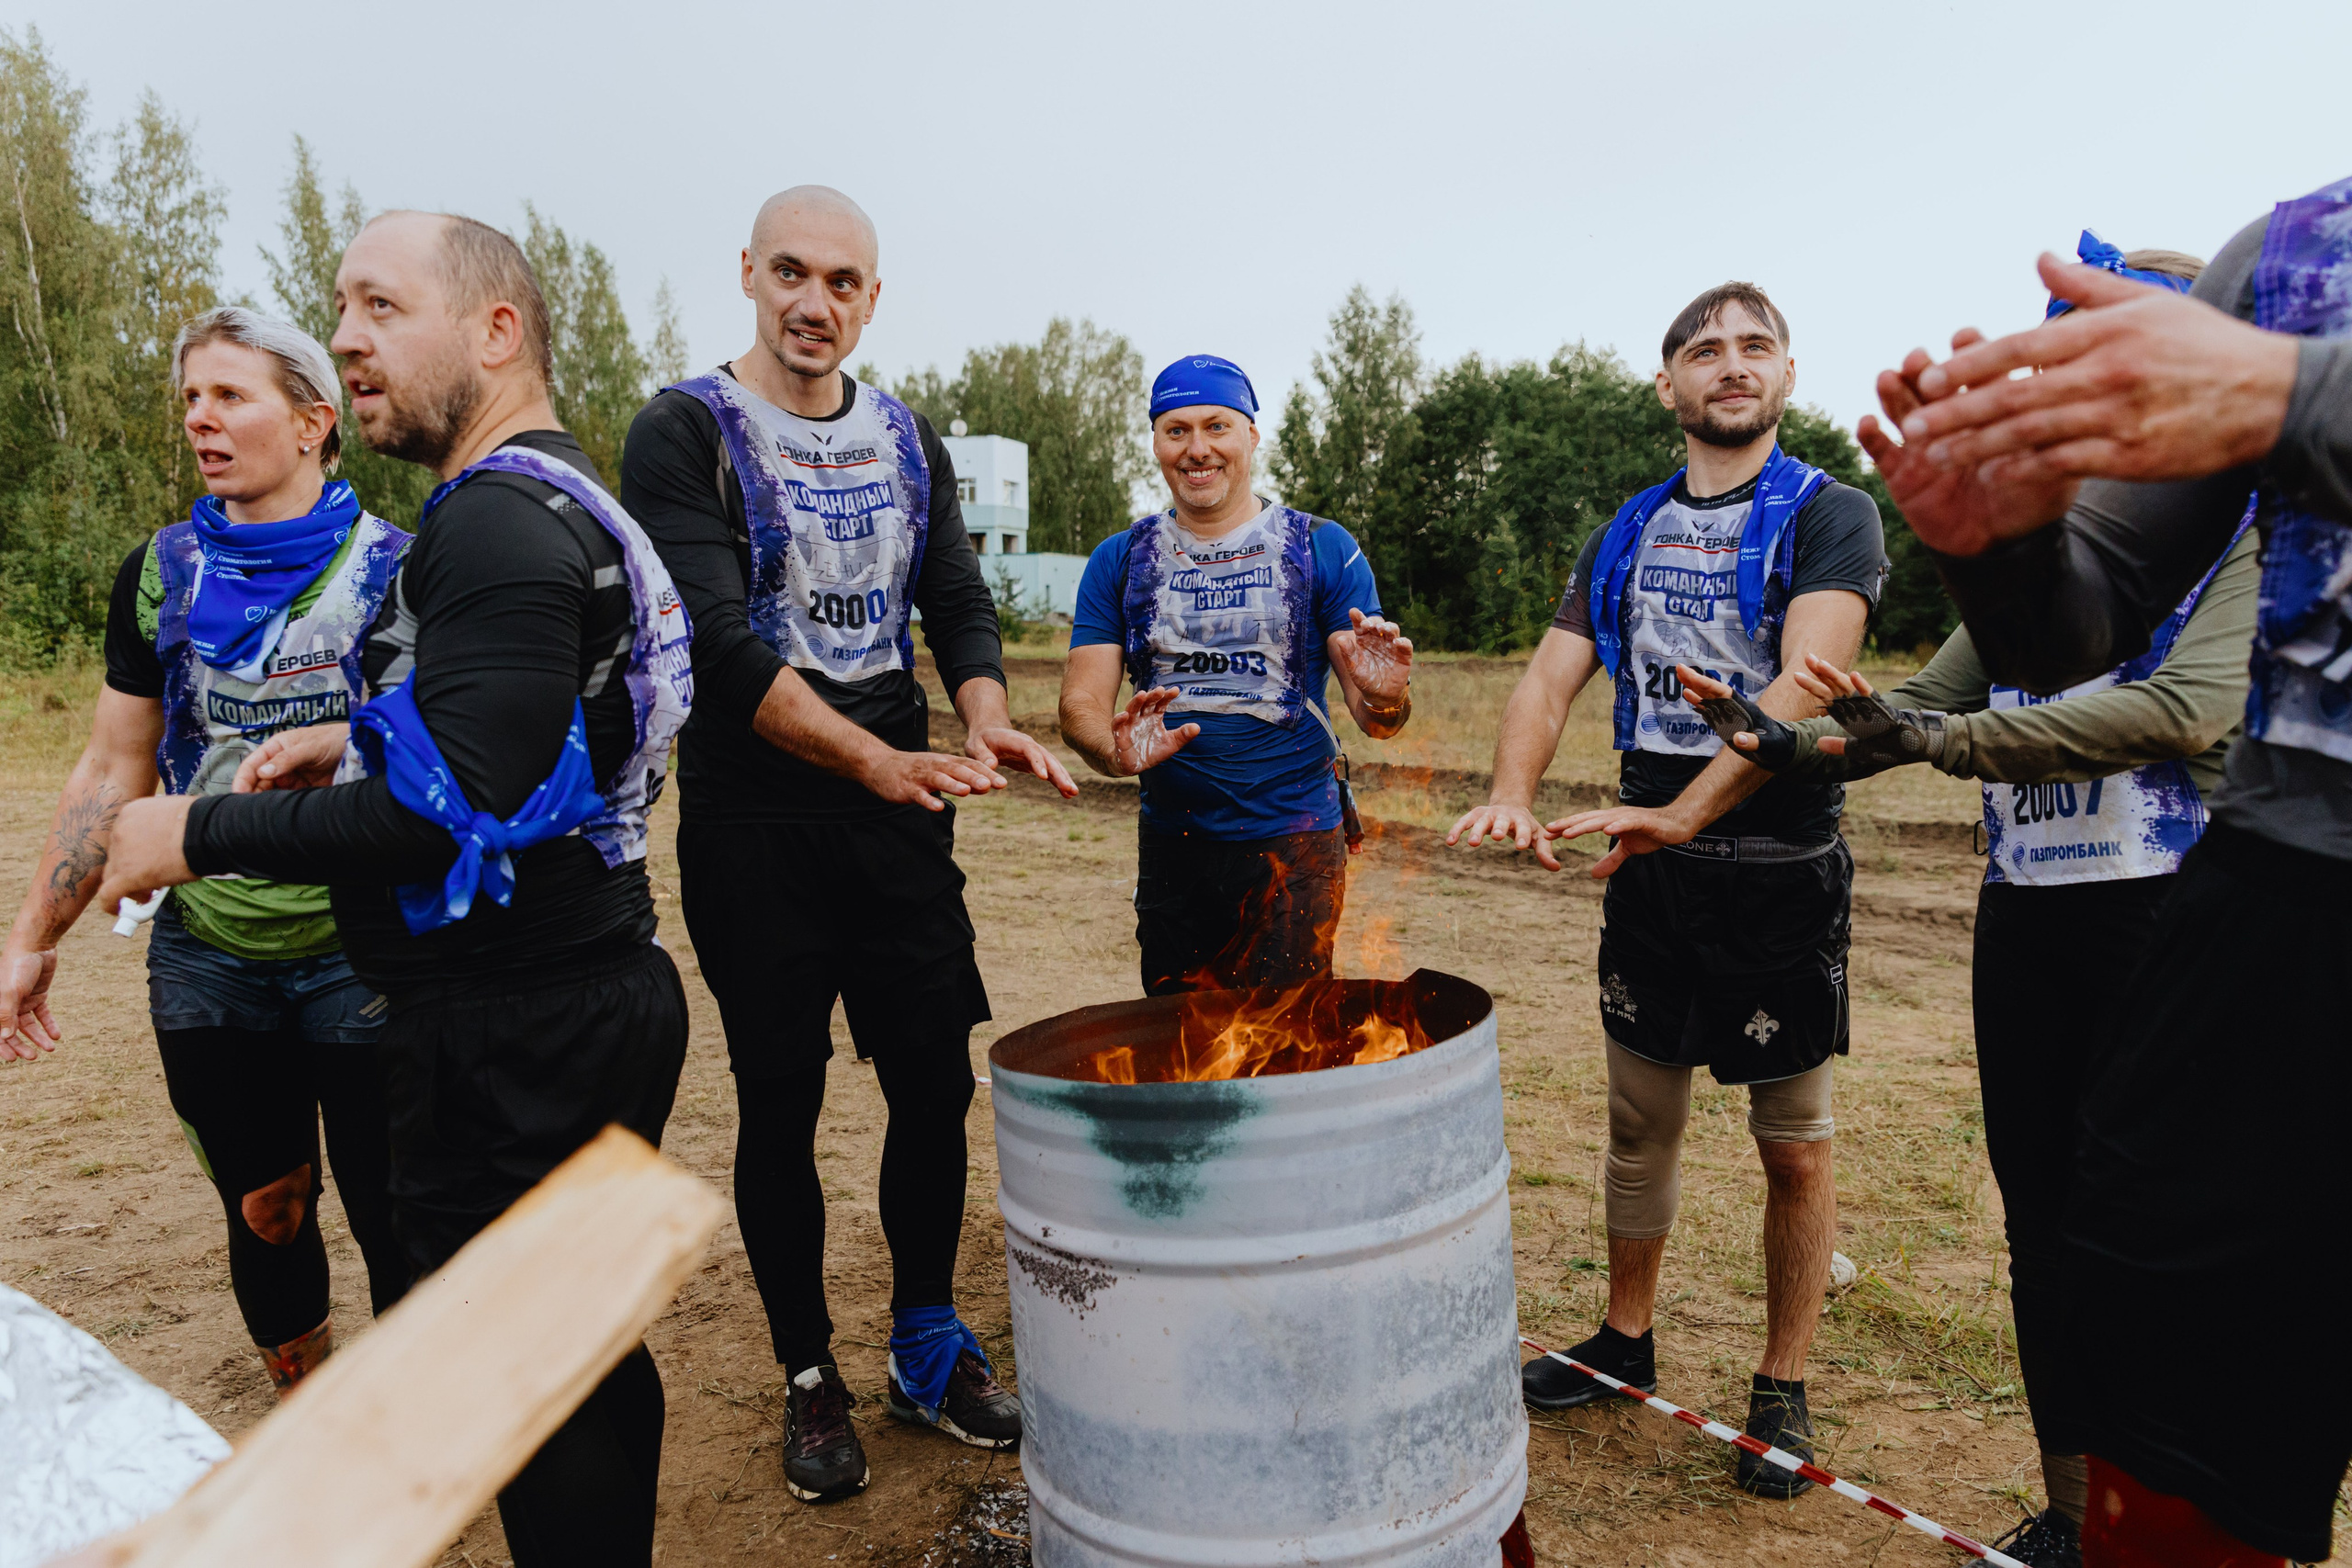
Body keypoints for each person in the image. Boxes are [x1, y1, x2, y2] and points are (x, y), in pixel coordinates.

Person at [95, 210, 695, 1568]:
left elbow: (461, 809)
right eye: (342, 309)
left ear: (495, 332)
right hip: (573, 992)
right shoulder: (555, 495)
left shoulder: (489, 522)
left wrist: (196, 833)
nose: (350, 339)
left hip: (519, 1026)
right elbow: (530, 732)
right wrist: (364, 733)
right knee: (573, 1358)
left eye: (379, 307)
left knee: (537, 1394)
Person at [1674, 240, 2249, 1568]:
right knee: (2042, 1228)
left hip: (2181, 922)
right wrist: (1784, 745)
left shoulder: (2242, 527)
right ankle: (2071, 1507)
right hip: (2031, 929)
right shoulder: (2058, 555)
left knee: (2168, 1240)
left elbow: (2168, 711)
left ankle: (2182, 1528)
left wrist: (1924, 745)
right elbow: (1916, 708)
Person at [1850, 181, 2352, 1568]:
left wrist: (2289, 395)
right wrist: (1995, 535)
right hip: (2281, 894)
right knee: (2174, 1399)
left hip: (2174, 873)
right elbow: (2079, 624)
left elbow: (2178, 700)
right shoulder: (2288, 254)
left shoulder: (2273, 341)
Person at [620, 186, 1067, 1506]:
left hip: (901, 811)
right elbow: (718, 635)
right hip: (757, 817)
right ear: (750, 274)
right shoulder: (683, 428)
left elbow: (956, 595)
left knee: (934, 1083)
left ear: (874, 298)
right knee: (783, 1097)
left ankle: (926, 1339)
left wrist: (983, 721)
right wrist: (881, 760)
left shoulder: (905, 432)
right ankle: (808, 1369)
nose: (817, 304)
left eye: (847, 283)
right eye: (795, 275)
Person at [1447, 283, 1886, 1497]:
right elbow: (1548, 679)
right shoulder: (1628, 526)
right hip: (1652, 871)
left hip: (1780, 867)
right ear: (1668, 387)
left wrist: (1688, 806)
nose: (1730, 365)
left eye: (1755, 347)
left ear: (1787, 375)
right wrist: (1512, 787)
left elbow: (1807, 683)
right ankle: (1624, 1340)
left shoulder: (1832, 510)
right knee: (1641, 1124)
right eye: (1705, 349)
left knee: (1791, 1148)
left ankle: (1781, 1390)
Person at [0, 307, 411, 1394]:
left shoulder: (399, 572)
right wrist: (33, 937)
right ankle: (312, 1411)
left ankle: (423, 1432)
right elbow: (108, 767)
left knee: (395, 1210)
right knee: (268, 1206)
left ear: (316, 422)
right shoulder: (162, 573)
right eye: (191, 397)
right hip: (211, 951)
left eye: (231, 395)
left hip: (367, 944)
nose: (200, 418)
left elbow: (447, 764)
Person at [1058, 355, 1412, 995]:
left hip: (1295, 845)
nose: (1198, 449)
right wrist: (1111, 751)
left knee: (1286, 1054)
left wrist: (1387, 696)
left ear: (1251, 434)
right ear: (1157, 443)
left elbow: (1376, 721)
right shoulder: (1120, 558)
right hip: (1175, 844)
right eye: (1177, 430)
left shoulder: (1321, 547)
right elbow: (1080, 701)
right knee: (1182, 1048)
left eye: (1217, 426)